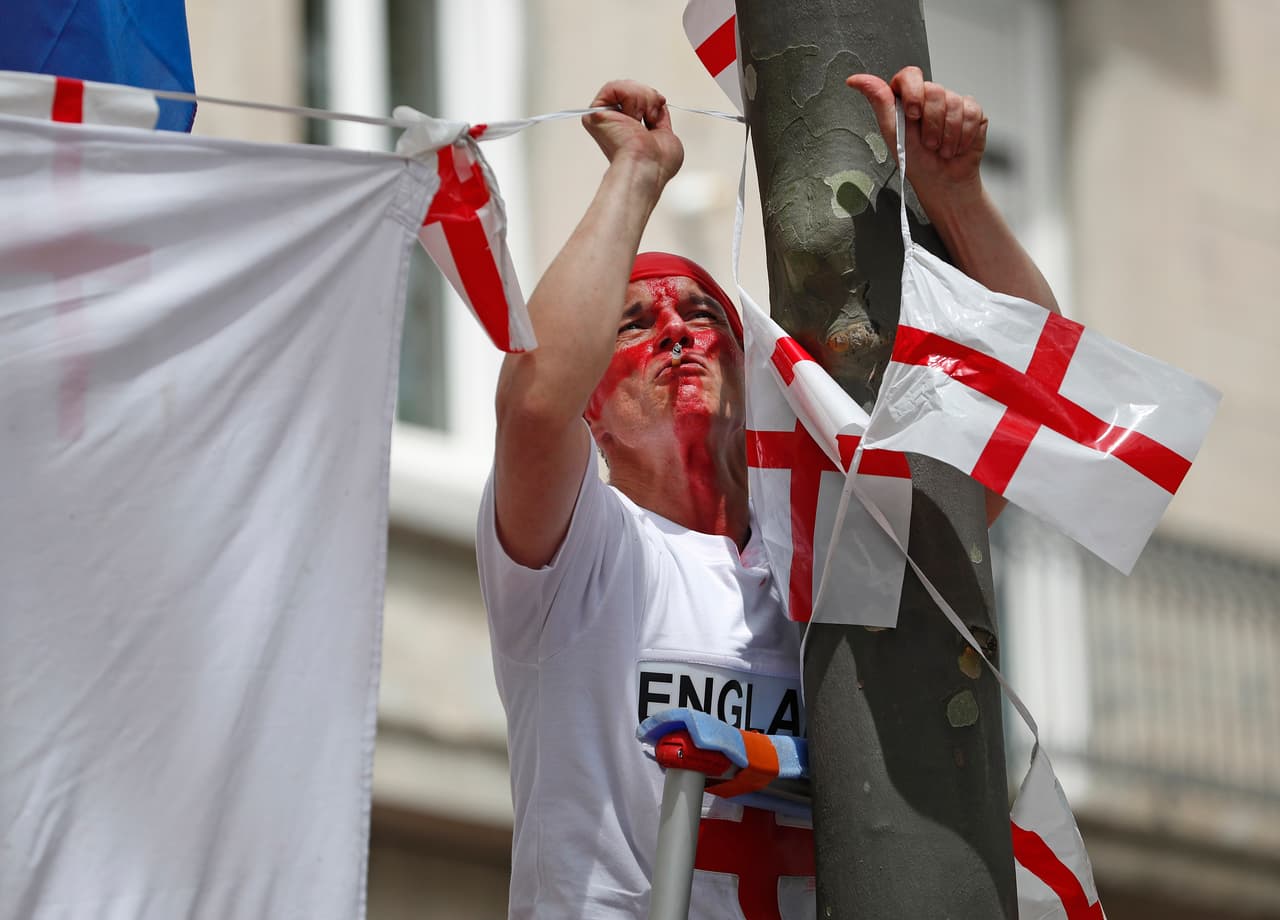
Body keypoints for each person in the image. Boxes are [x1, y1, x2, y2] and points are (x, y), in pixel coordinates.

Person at [476, 69, 1059, 919]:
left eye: (703, 315)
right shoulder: (576, 557)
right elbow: (533, 404)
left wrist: (957, 194)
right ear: (589, 408)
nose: (675, 333)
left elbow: (1026, 414)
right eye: (633, 323)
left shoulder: (826, 557)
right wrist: (636, 172)